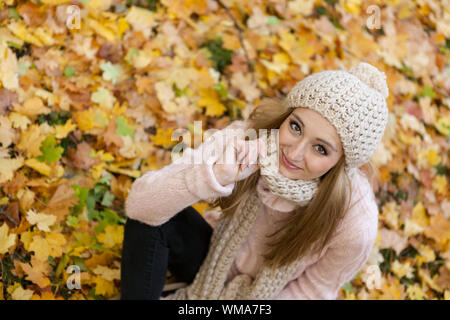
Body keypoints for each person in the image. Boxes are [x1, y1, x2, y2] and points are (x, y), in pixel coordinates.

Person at [120, 61, 390, 300]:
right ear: (287, 115)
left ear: (342, 164)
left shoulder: (354, 221)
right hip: (212, 261)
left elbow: (313, 291)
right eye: (295, 127)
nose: (293, 153)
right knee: (158, 217)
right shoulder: (249, 140)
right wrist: (215, 174)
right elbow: (140, 207)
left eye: (320, 149)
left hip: (268, 296)